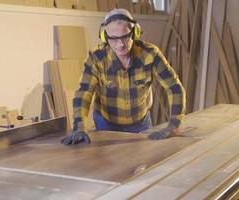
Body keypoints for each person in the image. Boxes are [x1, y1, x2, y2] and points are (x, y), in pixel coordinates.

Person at [61, 9, 186, 145]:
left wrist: (174, 124)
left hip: (141, 123)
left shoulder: (150, 54)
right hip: (106, 124)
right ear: (105, 37)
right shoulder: (96, 58)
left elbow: (174, 87)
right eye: (113, 39)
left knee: (143, 161)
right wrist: (79, 128)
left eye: (125, 37)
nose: (120, 44)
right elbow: (83, 93)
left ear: (135, 33)